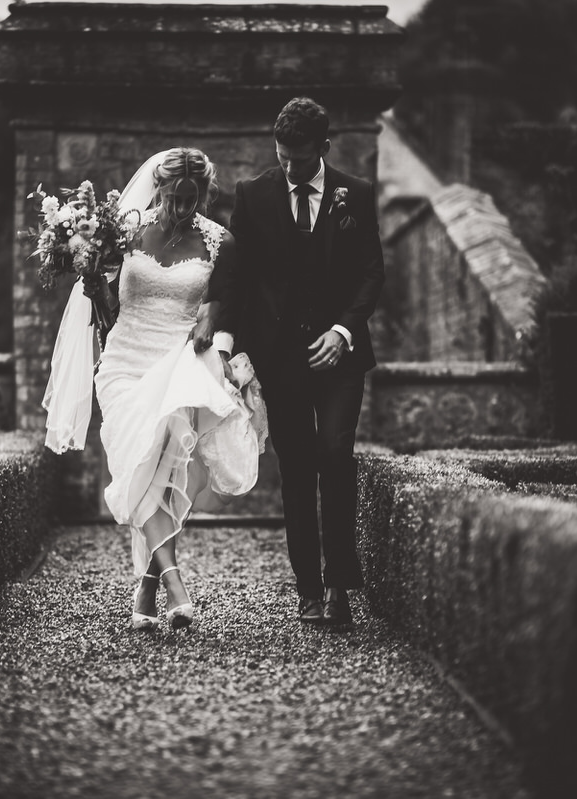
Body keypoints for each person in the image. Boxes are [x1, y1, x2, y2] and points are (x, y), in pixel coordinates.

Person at [49, 147, 267, 632]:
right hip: (124, 363)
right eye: (175, 196)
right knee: (138, 464)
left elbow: (227, 310)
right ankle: (167, 582)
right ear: (159, 188)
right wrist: (89, 278)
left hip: (178, 366)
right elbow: (107, 304)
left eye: (194, 198)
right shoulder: (122, 232)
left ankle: (157, 584)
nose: (184, 207)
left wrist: (217, 336)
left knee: (164, 468)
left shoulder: (220, 243)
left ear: (205, 193)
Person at [210, 97, 385, 628]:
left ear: (324, 149)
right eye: (282, 155)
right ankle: (309, 589)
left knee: (335, 455)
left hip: (340, 357)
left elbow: (371, 274)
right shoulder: (253, 195)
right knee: (297, 470)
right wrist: (224, 340)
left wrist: (343, 329)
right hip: (278, 360)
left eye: (301, 158)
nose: (290, 167)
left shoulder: (356, 194)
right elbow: (235, 276)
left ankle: (339, 588)